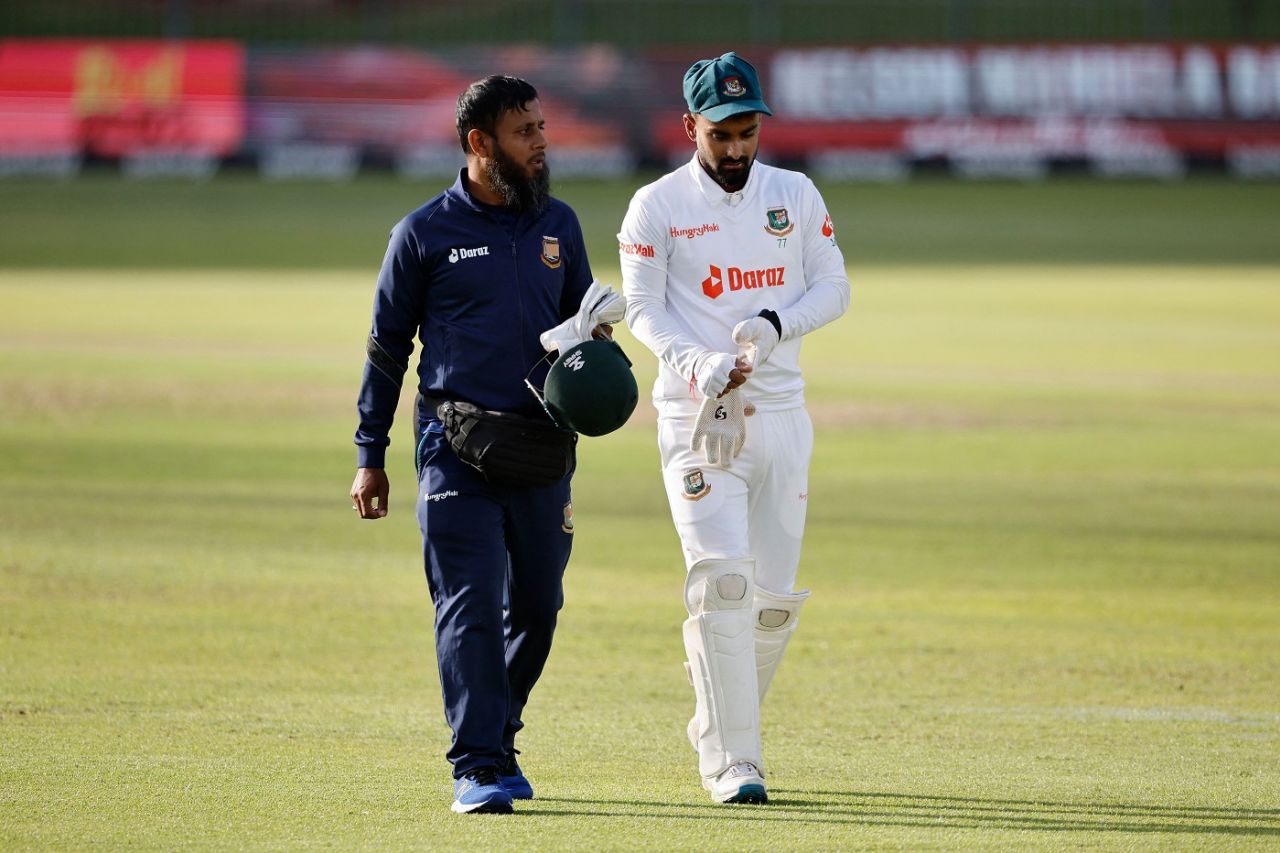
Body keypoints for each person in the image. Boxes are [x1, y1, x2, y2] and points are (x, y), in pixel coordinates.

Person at [349, 75, 603, 815]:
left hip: (541, 452)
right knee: (467, 605)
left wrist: (596, 344)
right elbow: (385, 349)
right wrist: (371, 452)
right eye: (524, 131)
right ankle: (479, 762)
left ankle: (499, 728)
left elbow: (579, 328)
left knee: (538, 605)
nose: (541, 143)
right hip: (453, 447)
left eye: (542, 127)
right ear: (478, 143)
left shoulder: (559, 224)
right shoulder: (423, 233)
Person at [617, 52, 850, 804]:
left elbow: (834, 284)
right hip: (697, 416)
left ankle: (717, 709)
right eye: (722, 134)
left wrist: (776, 323)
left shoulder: (794, 192)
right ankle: (734, 764)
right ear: (690, 127)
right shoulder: (654, 205)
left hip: (782, 412)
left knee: (770, 604)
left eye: (748, 131)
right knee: (723, 584)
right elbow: (642, 307)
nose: (738, 149)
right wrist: (698, 363)